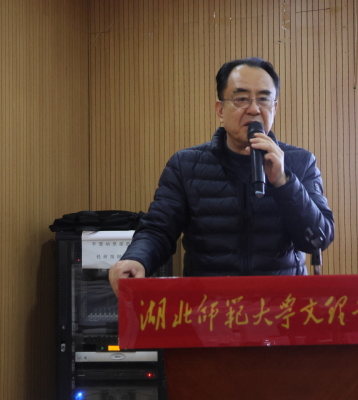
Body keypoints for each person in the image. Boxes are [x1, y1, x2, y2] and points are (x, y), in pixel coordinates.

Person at [109, 57, 334, 296]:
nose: (254, 109)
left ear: (274, 108)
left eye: (263, 99)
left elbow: (318, 239)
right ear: (220, 110)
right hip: (209, 306)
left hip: (280, 305)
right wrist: (137, 258)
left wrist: (283, 181)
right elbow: (158, 229)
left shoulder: (300, 162)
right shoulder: (185, 165)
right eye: (241, 99)